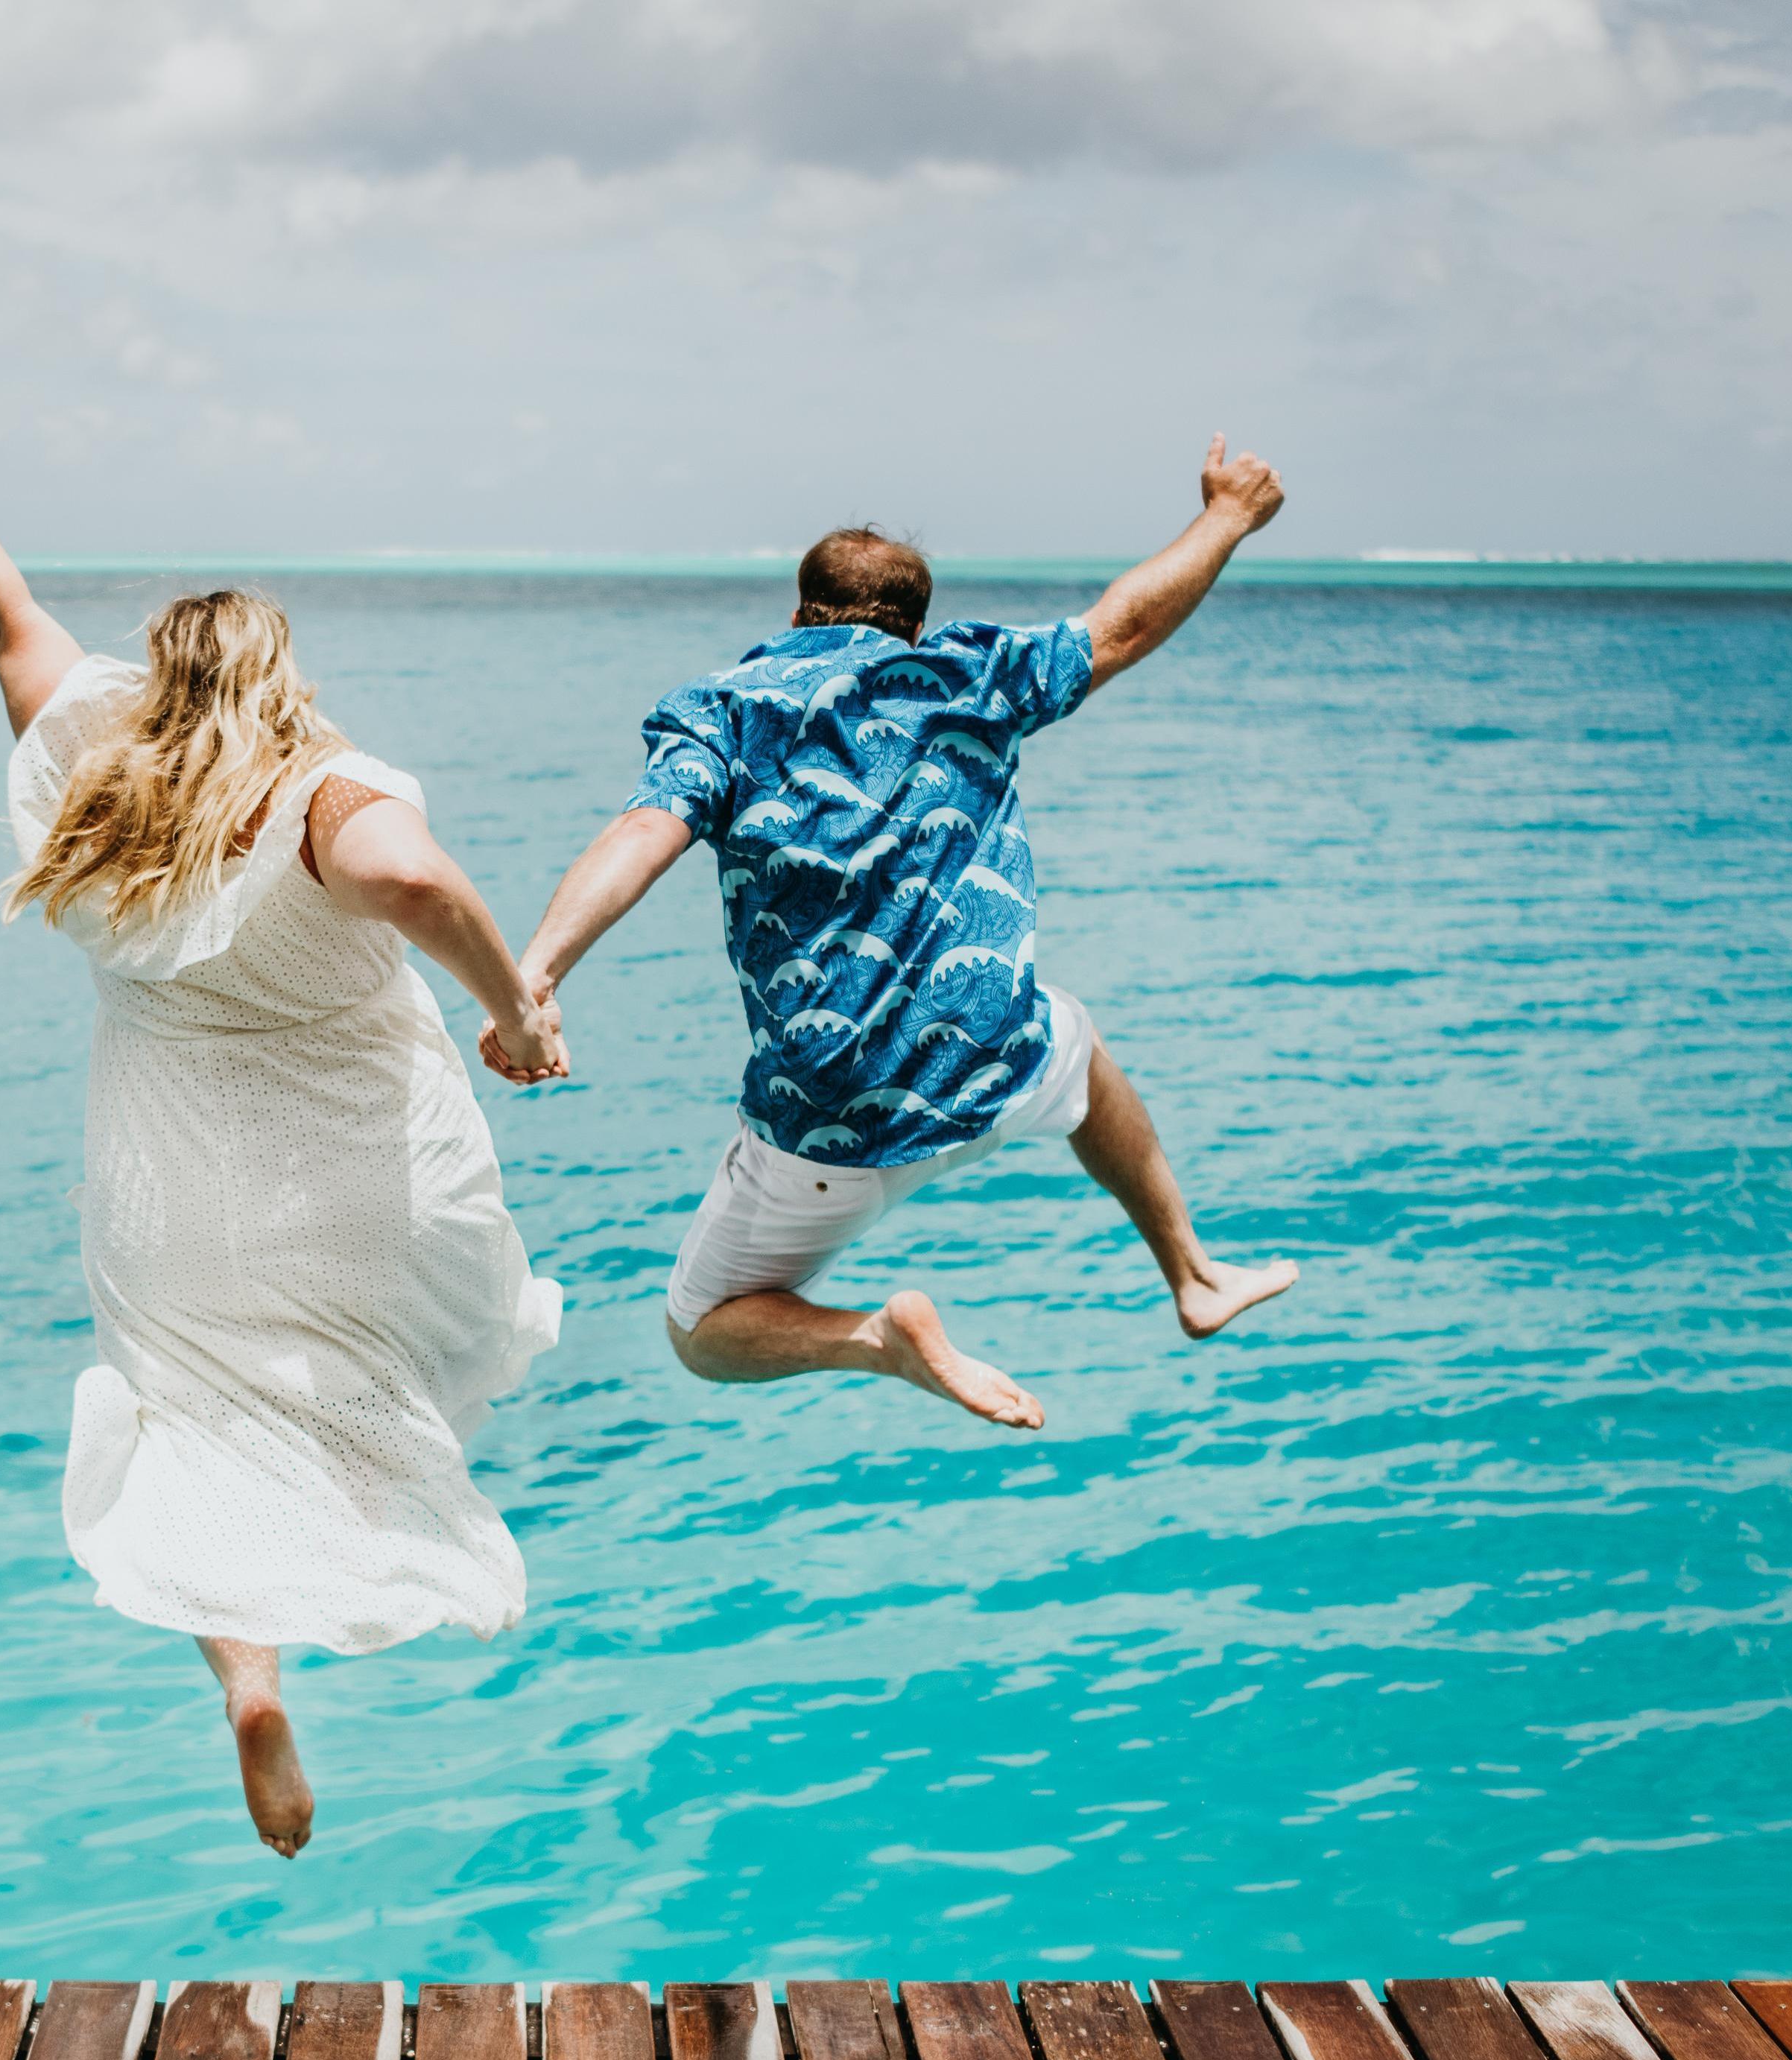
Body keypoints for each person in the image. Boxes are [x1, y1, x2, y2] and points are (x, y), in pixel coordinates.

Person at [0, 352, 566, 1857]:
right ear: (281, 677)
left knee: (190, 1422)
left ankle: (250, 1687)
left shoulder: (93, 776)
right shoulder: (322, 795)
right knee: (387, 1378)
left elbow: (8, 614)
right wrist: (517, 1008)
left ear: (164, 681)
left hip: (167, 1185)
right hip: (359, 1175)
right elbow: (422, 883)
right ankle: (342, 1572)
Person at [494, 437, 1298, 1436]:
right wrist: (1227, 517)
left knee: (701, 1331)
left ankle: (877, 1340)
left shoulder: (728, 713)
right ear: (916, 623)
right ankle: (1192, 1273)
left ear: (796, 615)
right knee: (1076, 1046)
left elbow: (640, 836)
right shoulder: (972, 673)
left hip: (835, 1122)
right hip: (990, 1061)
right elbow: (1124, 624)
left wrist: (535, 975)